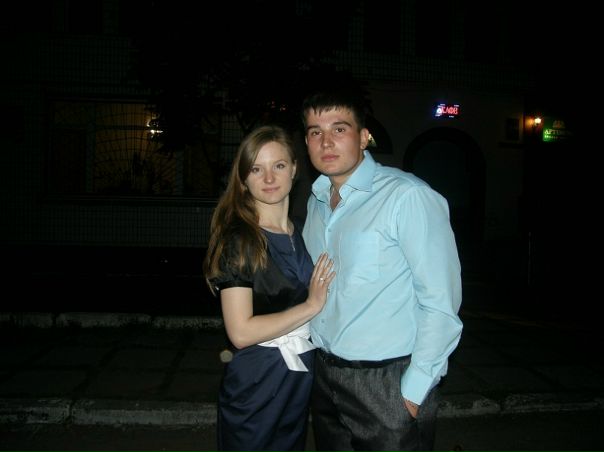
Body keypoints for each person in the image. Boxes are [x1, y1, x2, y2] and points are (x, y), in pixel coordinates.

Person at [301, 87, 463, 452]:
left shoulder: (407, 196)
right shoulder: (316, 202)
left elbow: (441, 302)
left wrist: (412, 393)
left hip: (387, 382)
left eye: (339, 129)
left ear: (364, 137)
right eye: (315, 132)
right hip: (324, 376)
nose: (326, 142)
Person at [203, 124, 335, 452]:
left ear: (294, 169)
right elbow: (240, 332)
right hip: (257, 378)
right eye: (256, 169)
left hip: (298, 374)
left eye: (278, 165)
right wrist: (310, 306)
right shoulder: (240, 239)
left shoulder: (301, 231)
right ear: (243, 179)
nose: (269, 178)